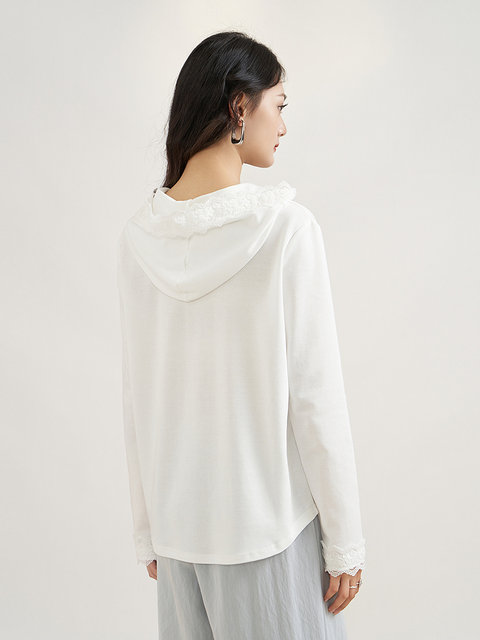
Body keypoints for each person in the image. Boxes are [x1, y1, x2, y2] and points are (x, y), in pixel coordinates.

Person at [117, 30, 366, 640]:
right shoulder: (285, 231)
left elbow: (137, 397)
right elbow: (315, 398)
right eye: (278, 105)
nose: (283, 125)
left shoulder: (139, 238)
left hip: (179, 537)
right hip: (268, 534)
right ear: (239, 106)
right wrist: (345, 540)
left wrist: (149, 529)